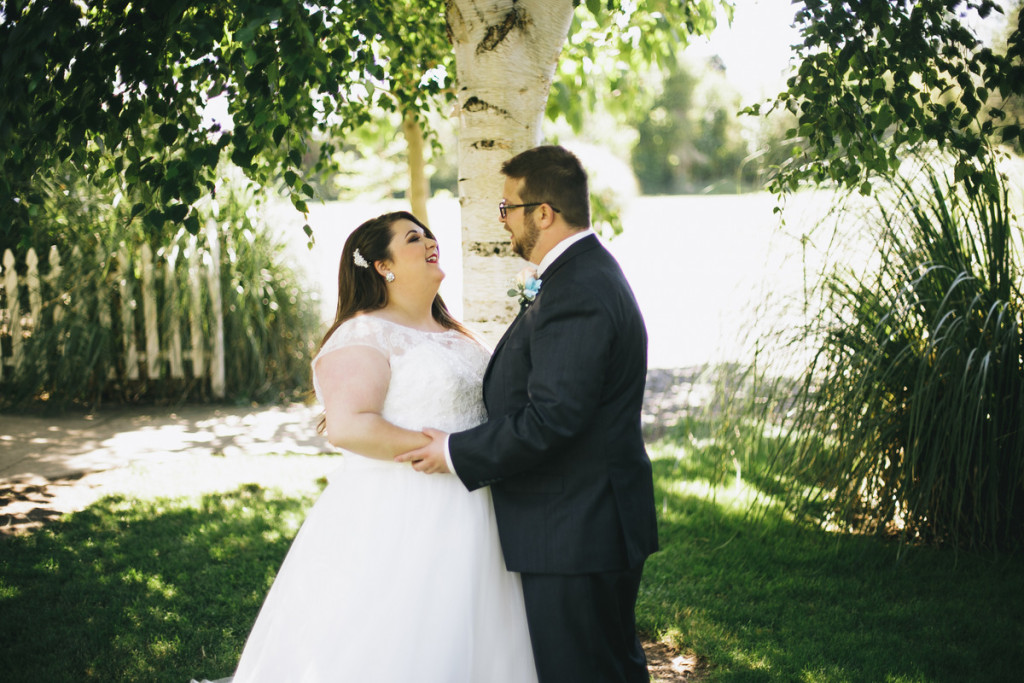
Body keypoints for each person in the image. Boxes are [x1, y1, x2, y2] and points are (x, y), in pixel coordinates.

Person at [224, 211, 538, 683]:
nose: (431, 241)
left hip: (479, 507)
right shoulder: (363, 333)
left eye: (429, 234)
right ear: (381, 266)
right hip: (402, 513)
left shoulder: (458, 335)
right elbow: (349, 426)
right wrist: (448, 452)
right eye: (414, 238)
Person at [397, 145, 660, 682]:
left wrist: (452, 451)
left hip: (577, 527)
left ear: (543, 213)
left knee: (585, 672)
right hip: (584, 520)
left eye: (507, 209)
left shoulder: (579, 289)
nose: (503, 222)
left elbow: (554, 417)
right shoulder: (579, 275)